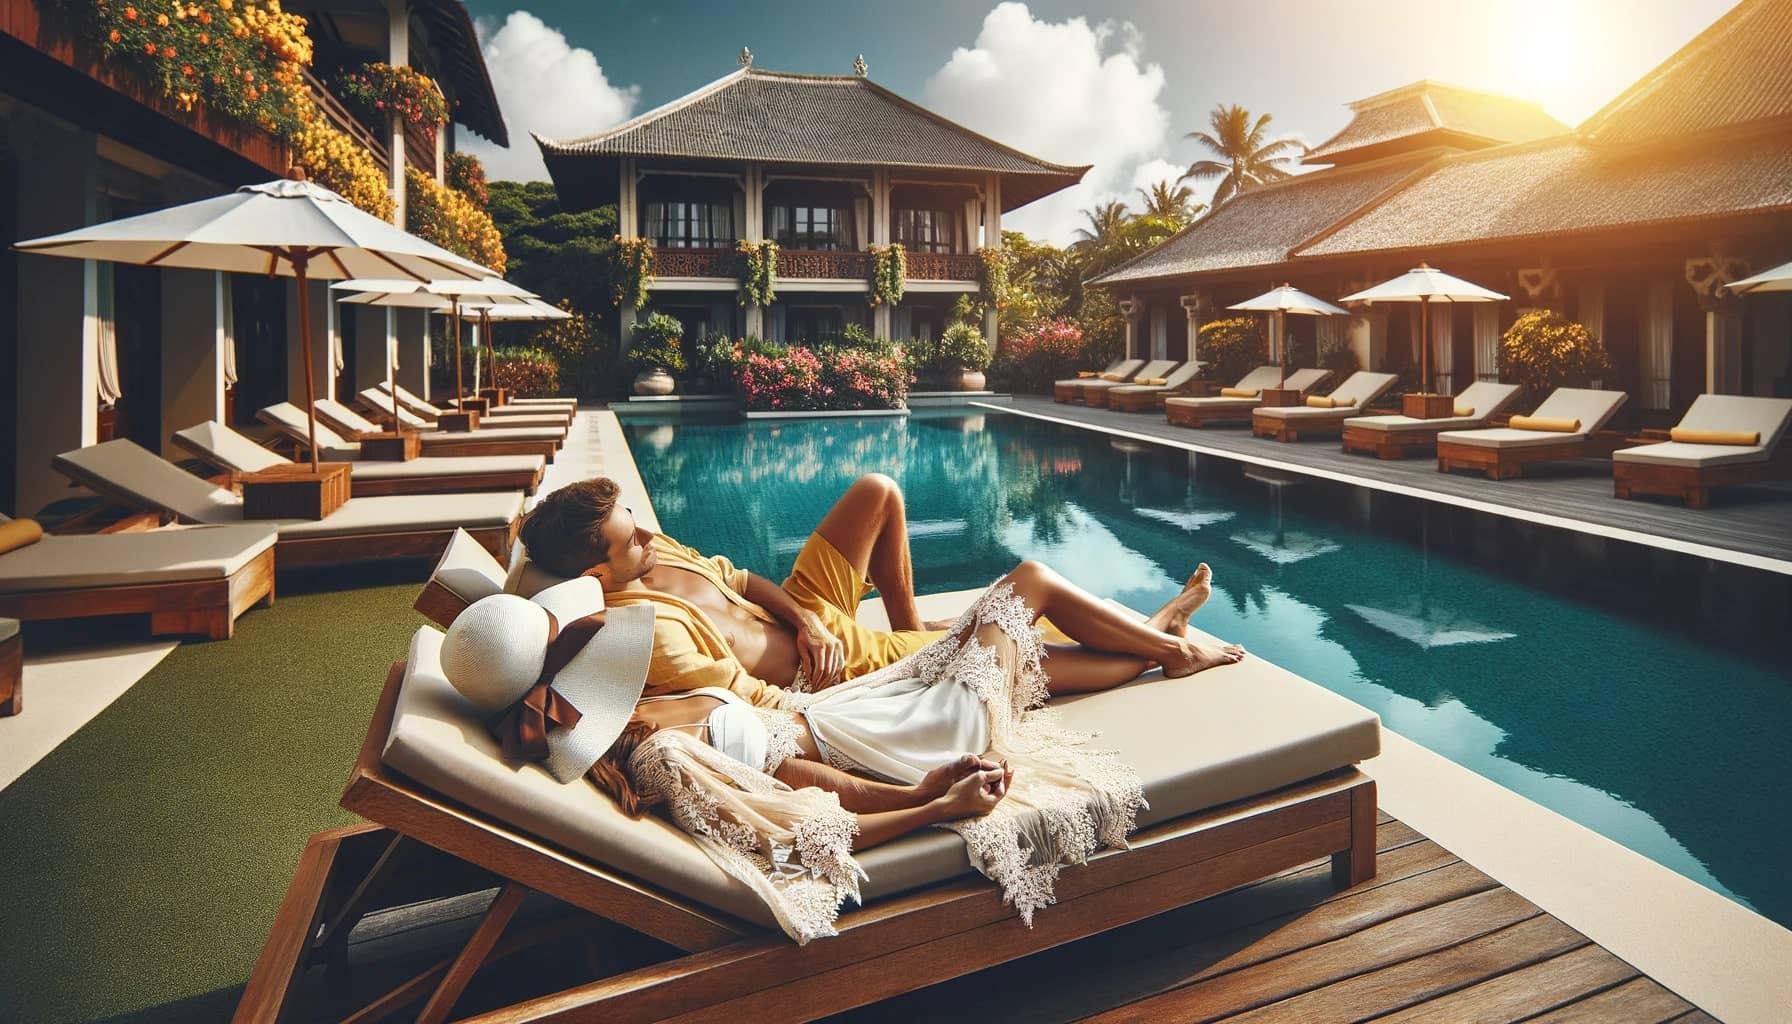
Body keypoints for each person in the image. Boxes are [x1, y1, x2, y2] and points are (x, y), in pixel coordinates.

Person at [442, 552, 1237, 943]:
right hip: (891, 743)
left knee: (1015, 651)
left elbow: (790, 754)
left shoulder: (640, 710)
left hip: (853, 710)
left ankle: (1161, 636)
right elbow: (815, 817)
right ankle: (1170, 647)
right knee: (1024, 588)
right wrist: (934, 799)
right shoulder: (665, 757)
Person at [516, 474, 1243, 708]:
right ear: (593, 574)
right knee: (1045, 616)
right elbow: (765, 708)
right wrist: (881, 672)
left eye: (635, 520)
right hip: (853, 670)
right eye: (628, 535)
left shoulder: (652, 551)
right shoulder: (648, 632)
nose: (646, 533)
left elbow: (742, 579)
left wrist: (806, 616)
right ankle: (1166, 643)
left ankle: (918, 622)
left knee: (879, 492)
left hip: (815, 617)